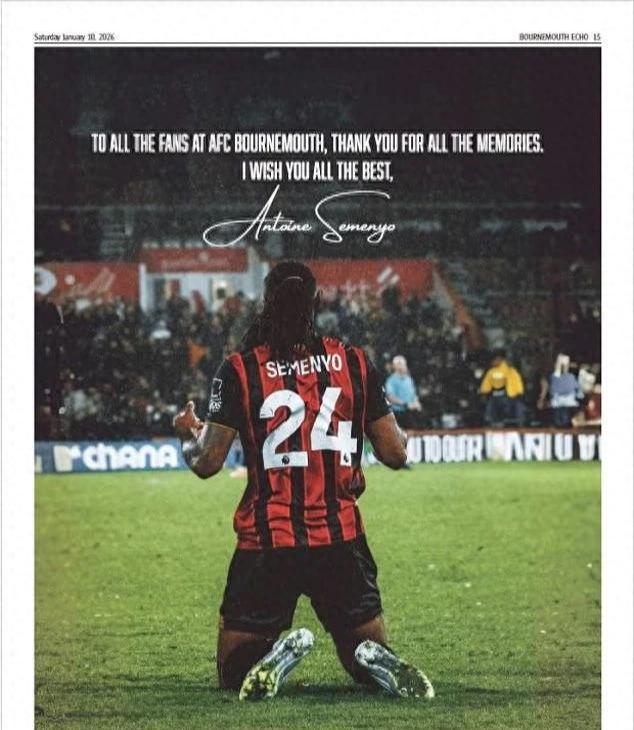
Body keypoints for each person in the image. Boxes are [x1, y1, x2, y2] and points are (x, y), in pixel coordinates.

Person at [173, 261, 434, 702]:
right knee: (360, 653)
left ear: (265, 302)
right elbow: (395, 453)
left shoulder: (240, 369)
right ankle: (372, 659)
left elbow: (207, 463)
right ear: (316, 303)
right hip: (341, 539)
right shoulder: (354, 362)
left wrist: (187, 435)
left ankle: (273, 656)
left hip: (268, 540)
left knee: (233, 672)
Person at [479, 349, 524, 426]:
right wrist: (484, 392)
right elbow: (486, 383)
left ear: (499, 359)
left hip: (508, 396)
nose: (492, 362)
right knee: (491, 412)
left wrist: (519, 392)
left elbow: (517, 381)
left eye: (494, 360)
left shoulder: (510, 370)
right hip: (495, 397)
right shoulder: (491, 372)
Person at [537, 353, 581, 428]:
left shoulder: (570, 377)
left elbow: (578, 392)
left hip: (565, 406)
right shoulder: (554, 377)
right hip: (558, 405)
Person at [384, 356, 422, 429]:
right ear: (395, 366)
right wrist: (406, 404)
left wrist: (416, 402)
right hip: (398, 413)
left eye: (403, 364)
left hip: (410, 413)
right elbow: (391, 397)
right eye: (399, 364)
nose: (401, 366)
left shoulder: (409, 380)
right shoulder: (391, 381)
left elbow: (413, 395)